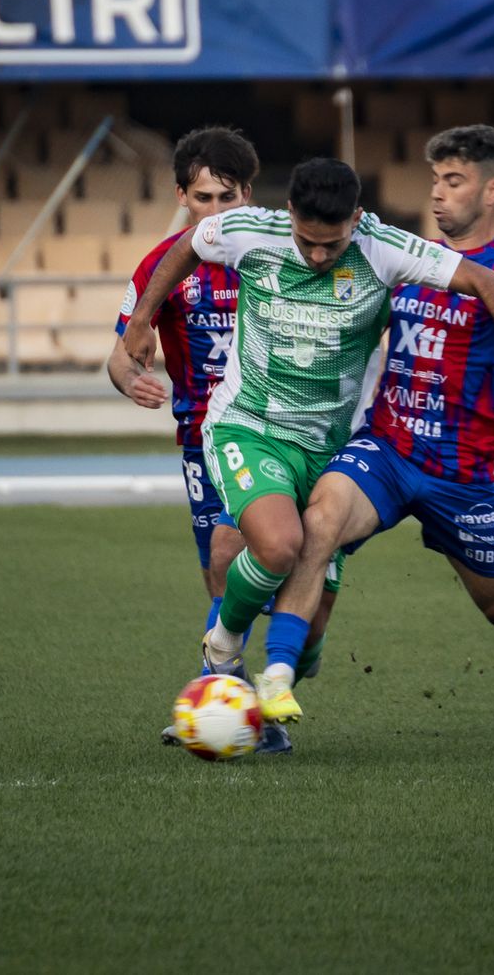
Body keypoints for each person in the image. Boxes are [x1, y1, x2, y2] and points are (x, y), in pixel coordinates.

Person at [124, 157, 494, 725]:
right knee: (279, 544)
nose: (317, 256)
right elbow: (190, 242)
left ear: (357, 219)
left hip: (331, 444)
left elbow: (486, 280)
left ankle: (289, 661)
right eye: (308, 242)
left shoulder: (384, 248)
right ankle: (222, 648)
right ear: (288, 214)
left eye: (331, 246)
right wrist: (142, 316)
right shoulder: (250, 231)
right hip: (250, 425)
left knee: (312, 630)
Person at [257, 125, 494, 745]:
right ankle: (276, 679)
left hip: (461, 474)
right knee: (321, 521)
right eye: (434, 181)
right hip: (388, 449)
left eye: (454, 181)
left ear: (492, 190)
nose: (439, 195)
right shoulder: (411, 257)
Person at [106, 128, 324, 753]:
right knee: (224, 578)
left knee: (252, 567)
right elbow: (120, 358)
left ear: (250, 195)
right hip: (204, 437)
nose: (217, 213)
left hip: (280, 431)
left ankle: (233, 696)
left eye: (228, 198)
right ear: (182, 196)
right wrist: (133, 382)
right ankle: (238, 703)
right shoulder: (161, 266)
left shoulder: (284, 250)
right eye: (204, 198)